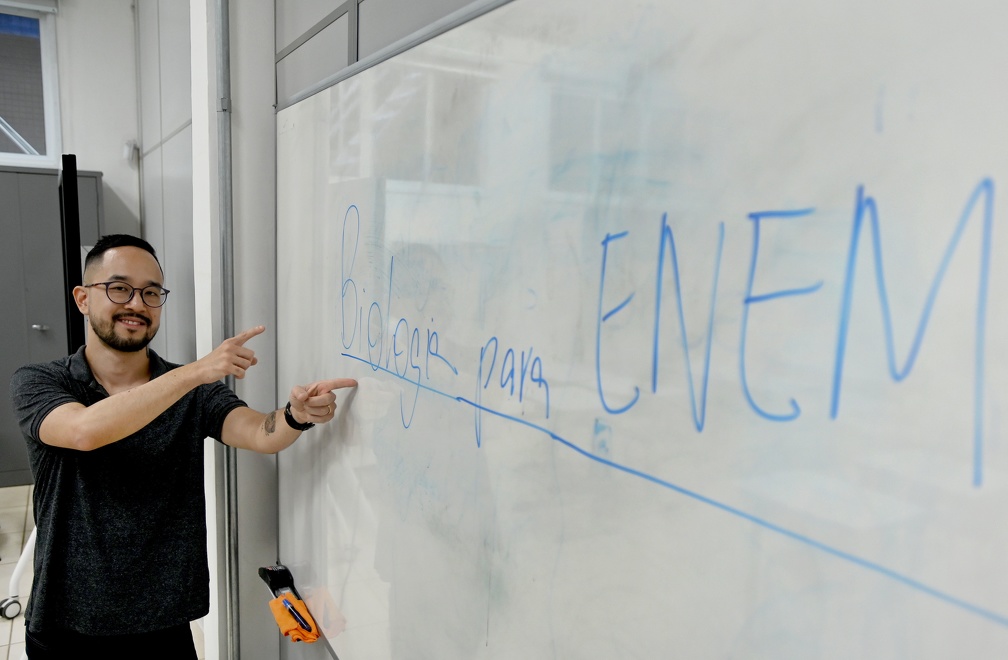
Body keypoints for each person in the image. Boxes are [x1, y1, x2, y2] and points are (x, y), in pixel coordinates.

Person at [9, 234, 356, 659]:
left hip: (162, 621)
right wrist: (194, 372)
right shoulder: (41, 380)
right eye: (119, 288)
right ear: (83, 298)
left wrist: (295, 415)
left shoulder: (192, 389)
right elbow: (84, 431)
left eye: (151, 292)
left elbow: (259, 433)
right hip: (68, 621)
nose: (137, 303)